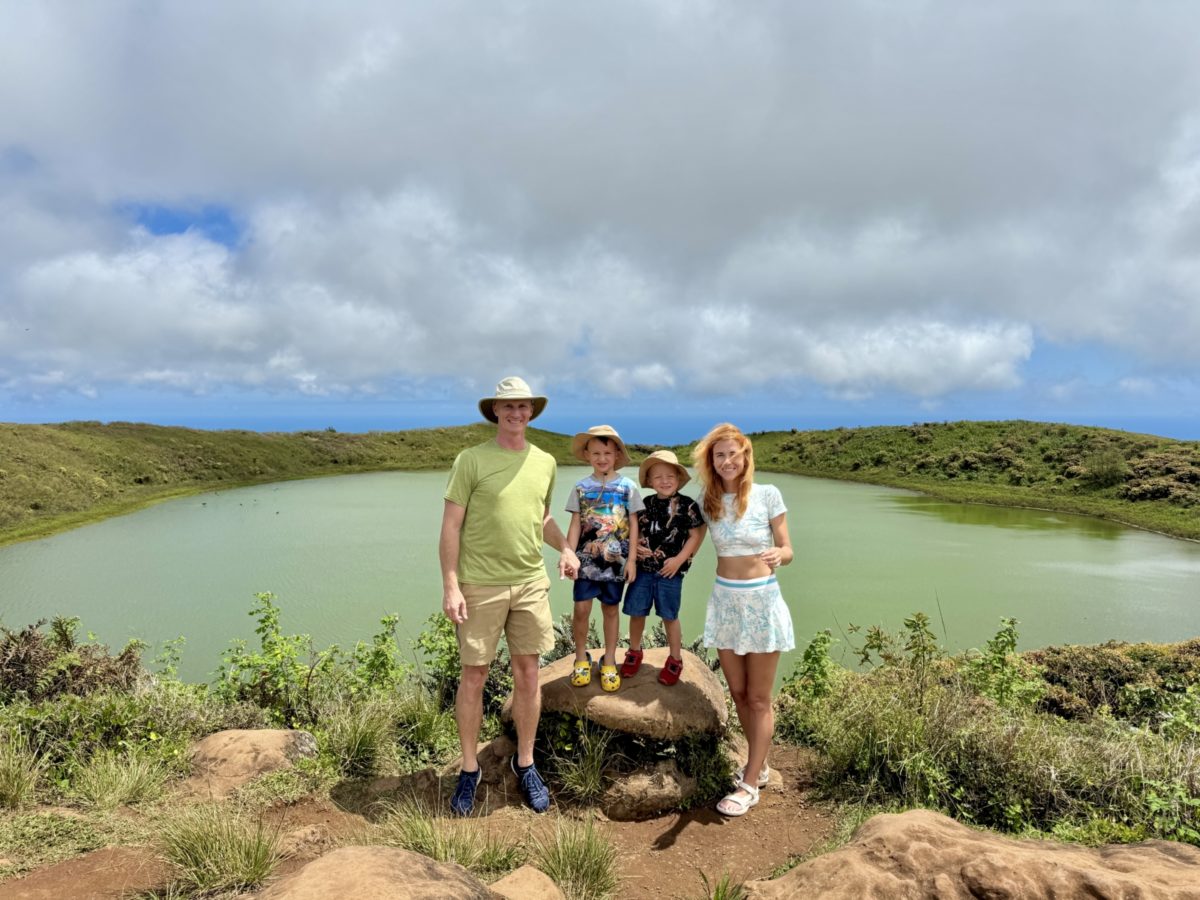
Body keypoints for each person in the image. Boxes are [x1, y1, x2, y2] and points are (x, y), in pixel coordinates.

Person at [439, 376, 580, 816]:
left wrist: (568, 548)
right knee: (474, 677)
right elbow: (451, 527)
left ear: (531, 412)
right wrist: (450, 584)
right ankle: (468, 769)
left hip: (530, 582)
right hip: (480, 584)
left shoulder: (545, 462)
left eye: (524, 407)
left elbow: (541, 518)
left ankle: (525, 762)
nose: (517, 413)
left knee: (528, 674)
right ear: (495, 412)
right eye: (509, 406)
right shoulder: (471, 460)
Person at [693, 423, 795, 817]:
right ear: (711, 462)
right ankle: (761, 763)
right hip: (725, 603)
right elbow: (686, 537)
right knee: (737, 693)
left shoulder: (768, 495)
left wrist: (778, 556)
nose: (727, 461)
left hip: (762, 603)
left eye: (733, 453)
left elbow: (788, 548)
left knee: (758, 698)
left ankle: (750, 783)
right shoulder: (708, 501)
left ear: (745, 456)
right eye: (719, 455)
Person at [560, 425, 642, 693]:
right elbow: (575, 524)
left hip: (616, 559)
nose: (602, 458)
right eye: (596, 453)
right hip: (585, 560)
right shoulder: (581, 487)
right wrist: (569, 555)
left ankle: (609, 660)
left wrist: (631, 561)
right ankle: (581, 657)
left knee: (610, 609)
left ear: (617, 454)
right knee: (581, 608)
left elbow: (633, 524)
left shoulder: (628, 487)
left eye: (607, 452)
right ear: (587, 455)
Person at [621, 450, 706, 685]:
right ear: (649, 481)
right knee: (637, 612)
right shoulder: (644, 505)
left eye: (670, 476)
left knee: (670, 615)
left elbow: (694, 536)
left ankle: (675, 658)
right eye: (657, 477)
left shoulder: (688, 505)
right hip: (643, 570)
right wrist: (635, 546)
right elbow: (634, 531)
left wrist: (679, 560)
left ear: (678, 479)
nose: (664, 481)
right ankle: (635, 651)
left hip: (671, 572)